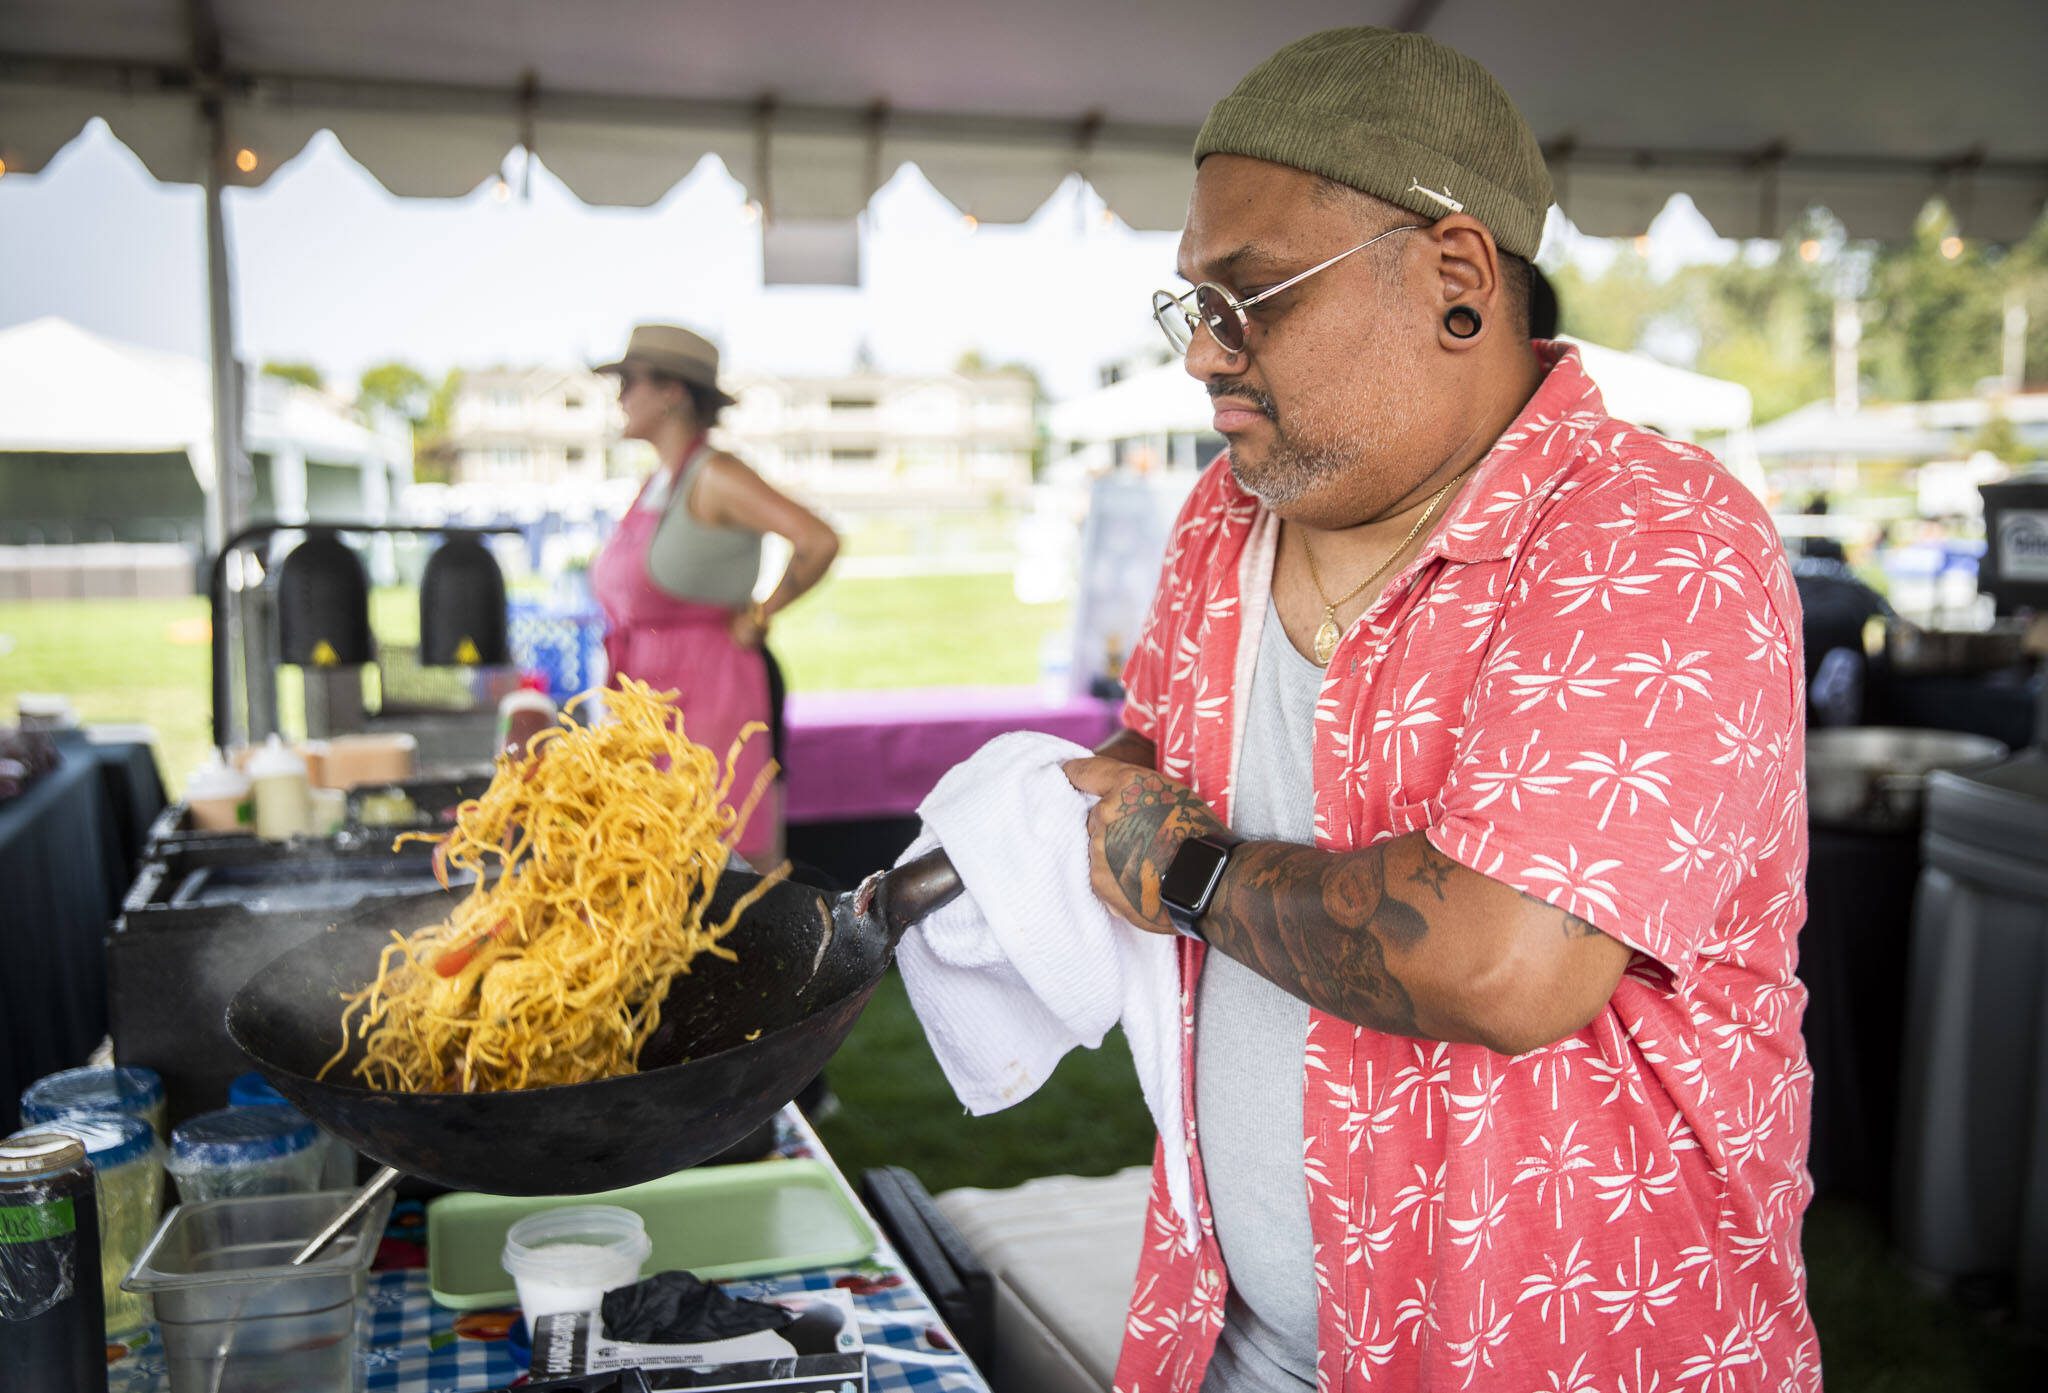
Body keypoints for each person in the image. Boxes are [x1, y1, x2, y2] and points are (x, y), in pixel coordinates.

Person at [1061, 27, 1815, 1392]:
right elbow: (1145, 756)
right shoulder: (1220, 518)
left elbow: (1505, 962)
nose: (1204, 358)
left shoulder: (1654, 534)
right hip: (1224, 1336)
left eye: (1253, 300)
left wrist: (1172, 867)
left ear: (1457, 281)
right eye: (1194, 308)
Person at [591, 324, 838, 864]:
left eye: (630, 381)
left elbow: (818, 540)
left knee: (720, 868)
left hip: (711, 697)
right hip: (650, 702)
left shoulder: (715, 474)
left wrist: (761, 614)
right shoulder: (657, 482)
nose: (620, 396)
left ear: (672, 391)